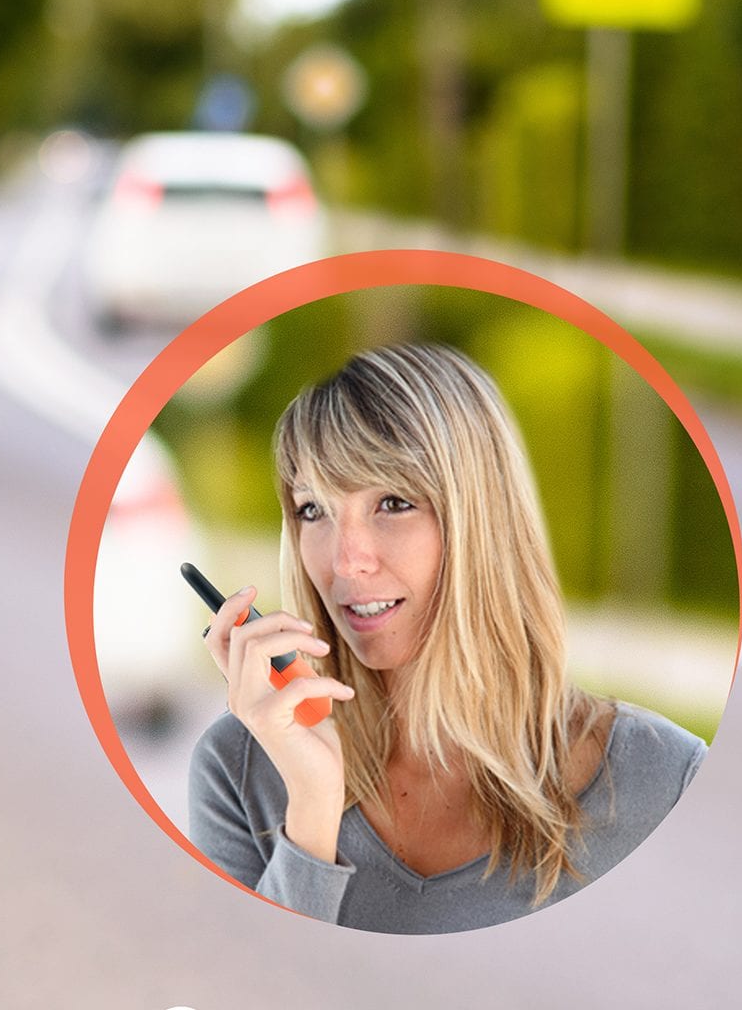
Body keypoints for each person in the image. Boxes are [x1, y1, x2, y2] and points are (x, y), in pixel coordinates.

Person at [186, 343, 705, 933]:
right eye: (313, 511)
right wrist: (311, 811)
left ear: (481, 522)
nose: (345, 561)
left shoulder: (664, 779)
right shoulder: (238, 770)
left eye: (394, 503)